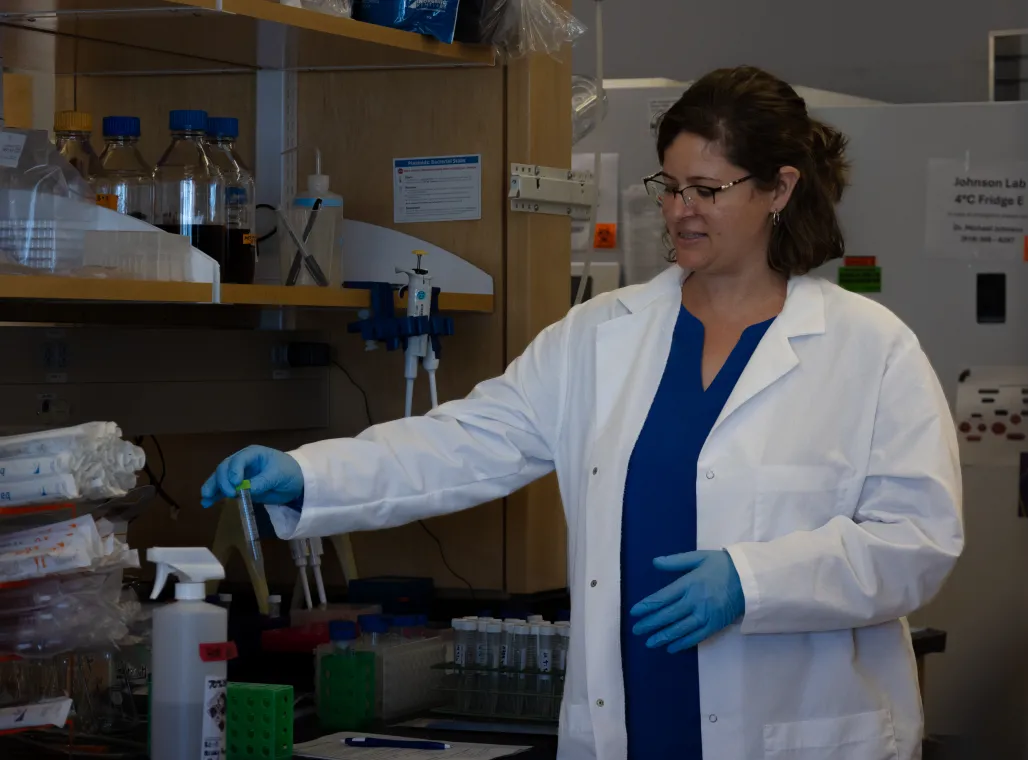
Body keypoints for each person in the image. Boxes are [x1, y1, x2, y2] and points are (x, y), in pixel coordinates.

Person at [202, 66, 963, 760]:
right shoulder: (602, 334)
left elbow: (919, 542)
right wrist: (308, 475)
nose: (678, 211)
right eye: (667, 186)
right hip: (629, 727)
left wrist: (753, 581)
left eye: (708, 189)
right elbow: (467, 441)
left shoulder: (869, 349)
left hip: (799, 730)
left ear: (779, 189)